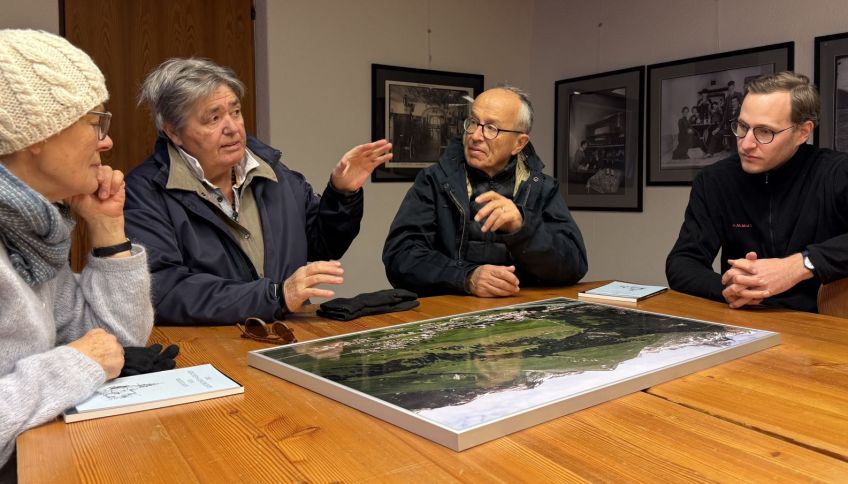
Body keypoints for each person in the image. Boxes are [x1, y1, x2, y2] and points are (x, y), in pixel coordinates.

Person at [125, 58, 392, 325]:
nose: (232, 127)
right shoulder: (144, 191)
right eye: (213, 118)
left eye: (236, 112)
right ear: (173, 132)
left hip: (285, 340)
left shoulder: (276, 175)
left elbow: (321, 244)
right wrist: (276, 296)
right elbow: (164, 290)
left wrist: (342, 194)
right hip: (208, 350)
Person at [0, 30, 153, 473]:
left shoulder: (29, 234)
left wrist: (108, 228)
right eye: (93, 122)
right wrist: (72, 365)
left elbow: (115, 344)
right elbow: (88, 358)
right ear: (37, 134)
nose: (106, 142)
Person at [666, 71, 848, 312]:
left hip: (821, 324)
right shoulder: (714, 181)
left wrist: (802, 265)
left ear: (802, 132)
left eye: (765, 132)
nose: (746, 143)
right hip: (744, 322)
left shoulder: (837, 172)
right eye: (743, 126)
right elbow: (682, 262)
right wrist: (729, 289)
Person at [383, 86, 587, 297]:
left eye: (491, 128)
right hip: (449, 314)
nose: (475, 136)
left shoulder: (542, 187)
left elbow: (574, 266)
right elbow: (400, 257)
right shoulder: (434, 181)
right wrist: (466, 277)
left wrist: (523, 228)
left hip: (522, 312)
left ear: (519, 143)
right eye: (473, 123)